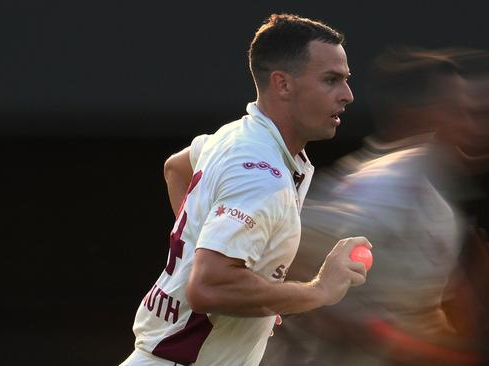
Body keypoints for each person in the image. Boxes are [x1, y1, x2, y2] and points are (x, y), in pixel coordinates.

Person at [120, 13, 371, 366]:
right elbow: (209, 287)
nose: (348, 95)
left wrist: (252, 287)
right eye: (331, 80)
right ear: (282, 84)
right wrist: (318, 291)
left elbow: (176, 167)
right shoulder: (260, 173)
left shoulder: (238, 136)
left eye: (345, 80)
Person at [261, 48, 480, 366]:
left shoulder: (436, 201)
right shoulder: (387, 187)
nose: (468, 121)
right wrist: (379, 337)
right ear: (419, 113)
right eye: (456, 109)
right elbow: (284, 251)